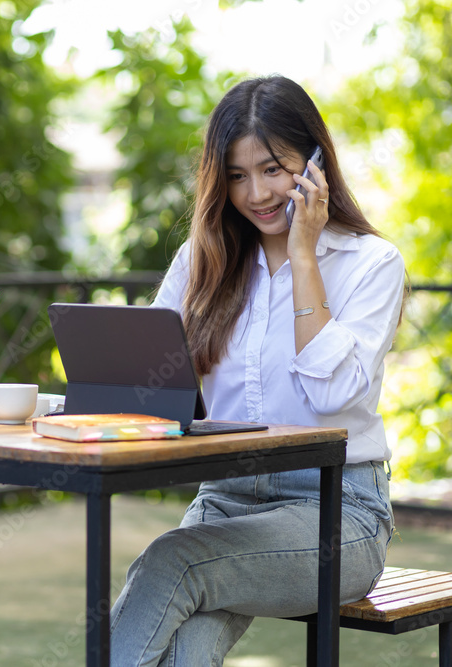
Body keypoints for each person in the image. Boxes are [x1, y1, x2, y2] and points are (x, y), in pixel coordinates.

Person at [108, 75, 406, 665]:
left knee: (174, 561)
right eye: (238, 176)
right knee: (185, 648)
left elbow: (335, 397)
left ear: (315, 162)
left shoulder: (372, 263)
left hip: (336, 511)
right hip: (224, 497)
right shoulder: (204, 257)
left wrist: (302, 257)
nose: (257, 194)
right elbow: (145, 374)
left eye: (273, 169)